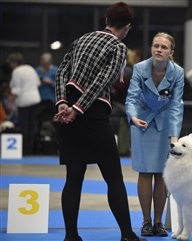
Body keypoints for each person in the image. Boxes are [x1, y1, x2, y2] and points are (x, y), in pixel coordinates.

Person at [54, 2, 146, 241]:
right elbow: (102, 81)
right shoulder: (118, 46)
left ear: (107, 21)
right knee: (114, 177)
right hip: (92, 114)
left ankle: (71, 236)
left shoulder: (81, 39)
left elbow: (61, 72)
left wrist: (63, 102)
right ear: (126, 27)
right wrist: (78, 108)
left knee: (73, 178)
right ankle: (127, 235)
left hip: (68, 113)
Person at [125, 32, 184, 237]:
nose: (159, 49)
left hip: (165, 125)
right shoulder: (140, 68)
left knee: (161, 173)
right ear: (151, 48)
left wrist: (174, 137)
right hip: (141, 123)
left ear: (171, 52)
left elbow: (176, 105)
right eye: (156, 46)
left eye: (164, 47)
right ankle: (146, 222)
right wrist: (132, 117)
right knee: (145, 171)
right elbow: (131, 98)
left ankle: (159, 222)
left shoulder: (177, 72)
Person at [7, 52, 41, 155]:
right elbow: (38, 83)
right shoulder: (30, 68)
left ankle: (24, 151)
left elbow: (16, 90)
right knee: (33, 125)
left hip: (24, 101)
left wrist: (11, 101)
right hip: (35, 99)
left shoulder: (16, 71)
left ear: (14, 63)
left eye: (11, 64)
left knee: (24, 126)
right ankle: (31, 150)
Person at [36, 52, 58, 121]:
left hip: (51, 99)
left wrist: (51, 82)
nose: (45, 66)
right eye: (43, 64)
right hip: (40, 99)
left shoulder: (55, 70)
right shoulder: (38, 70)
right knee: (39, 119)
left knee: (52, 119)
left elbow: (59, 86)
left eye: (46, 64)